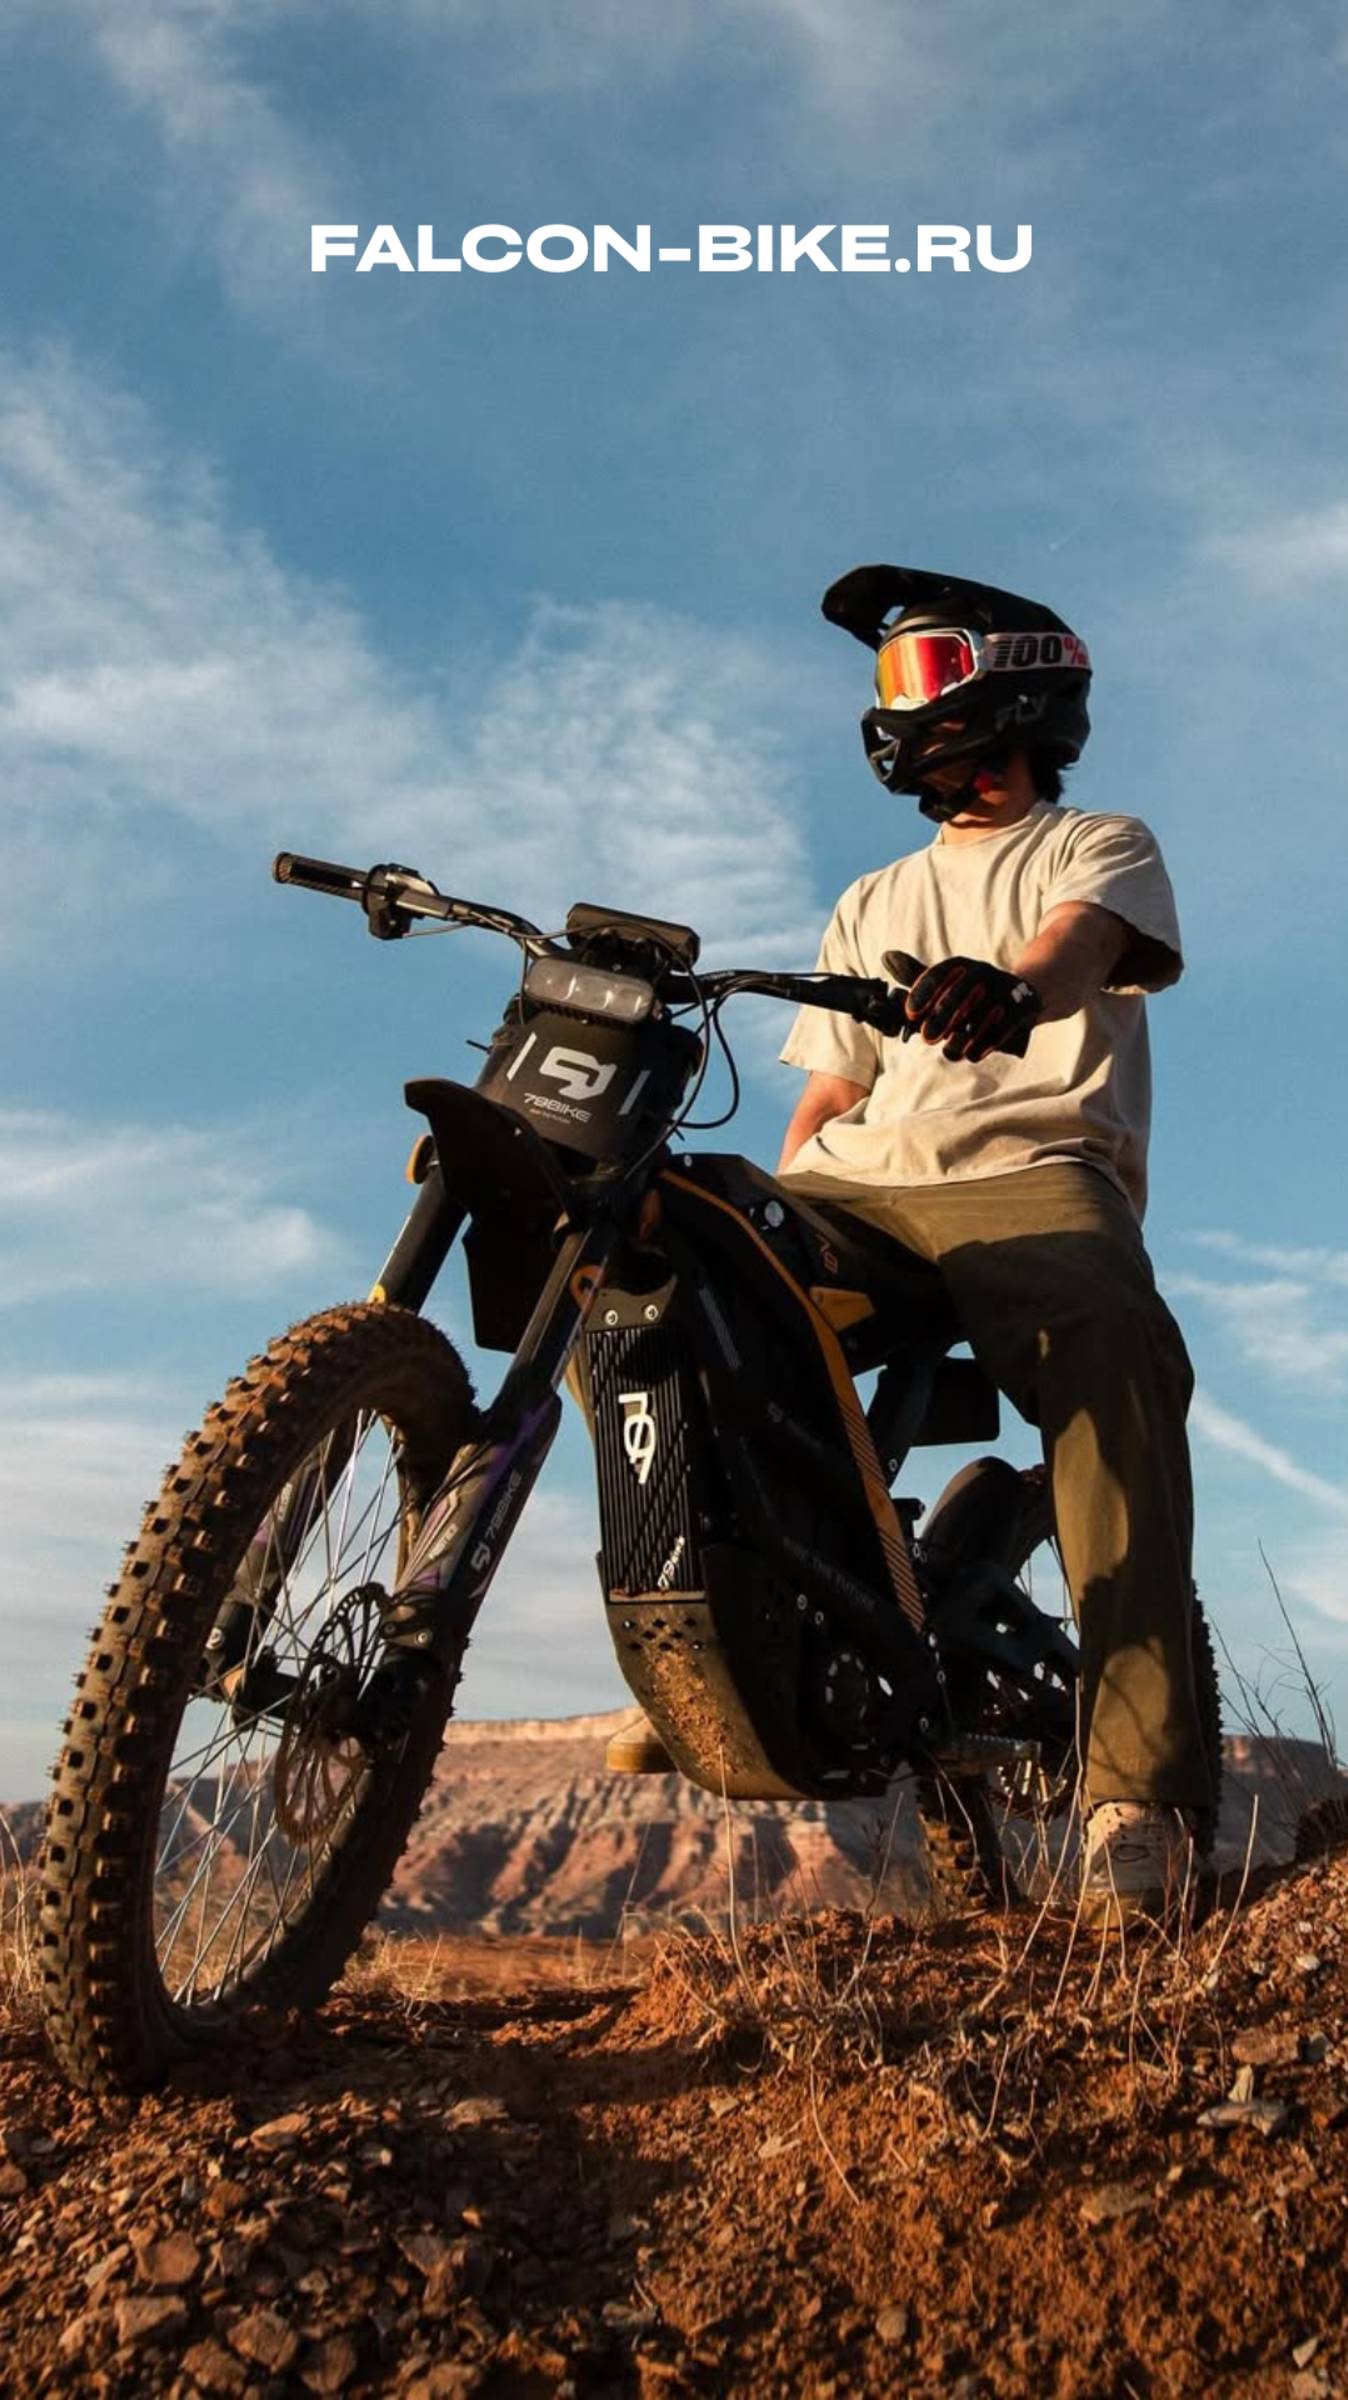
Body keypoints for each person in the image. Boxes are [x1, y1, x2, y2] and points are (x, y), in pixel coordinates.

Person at [776, 562, 1215, 1923]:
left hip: (1030, 1170)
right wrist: (776, 1207)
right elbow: (829, 1096)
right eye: (887, 681)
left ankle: (1134, 1800)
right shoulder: (869, 897)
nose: (891, 706)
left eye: (918, 672)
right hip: (860, 1184)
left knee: (1115, 1367)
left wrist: (1011, 988)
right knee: (668, 1275)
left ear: (1015, 688)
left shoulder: (1098, 844)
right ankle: (728, 1633)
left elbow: (1076, 949)